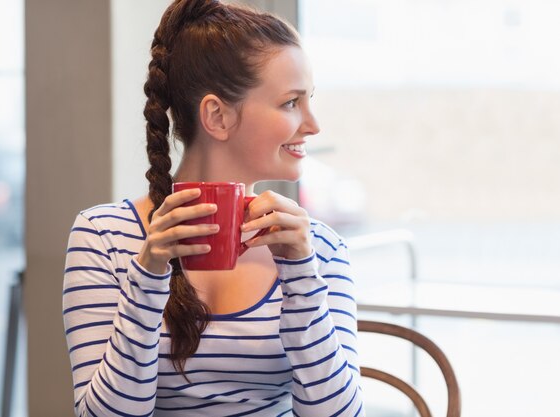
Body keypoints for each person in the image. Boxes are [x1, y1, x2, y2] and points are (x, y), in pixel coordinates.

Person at [63, 0, 364, 415]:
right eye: (291, 103)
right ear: (217, 116)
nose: (313, 125)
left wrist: (301, 273)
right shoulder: (103, 236)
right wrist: (149, 275)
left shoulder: (319, 249)